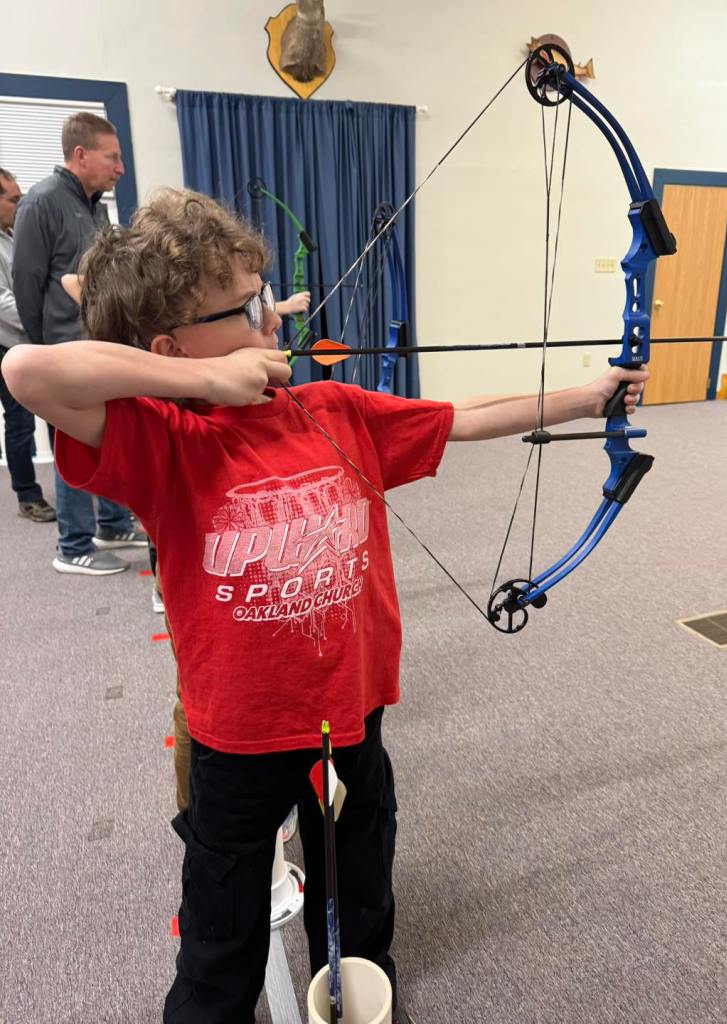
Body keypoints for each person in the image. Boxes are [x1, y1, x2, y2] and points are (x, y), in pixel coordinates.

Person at [3, 189, 648, 1024]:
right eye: (249, 307)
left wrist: (587, 398)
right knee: (219, 933)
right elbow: (28, 371)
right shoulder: (161, 439)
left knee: (359, 889)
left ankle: (358, 994)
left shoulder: (330, 408)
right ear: (172, 348)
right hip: (237, 737)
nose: (272, 320)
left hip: (352, 715)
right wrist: (198, 382)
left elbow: (464, 418)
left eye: (265, 296)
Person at [12, 111, 146, 574]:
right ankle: (72, 545)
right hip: (66, 349)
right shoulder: (42, 202)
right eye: (113, 157)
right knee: (75, 441)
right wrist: (46, 349)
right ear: (81, 154)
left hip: (99, 346)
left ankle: (110, 523)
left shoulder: (95, 207)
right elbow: (27, 283)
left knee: (108, 438)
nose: (120, 168)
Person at [0, 168, 56, 522]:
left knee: (53, 414)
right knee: (19, 421)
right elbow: (3, 301)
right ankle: (27, 496)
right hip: (6, 346)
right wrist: (39, 318)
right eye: (13, 199)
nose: (20, 205)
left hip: (28, 341)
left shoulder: (11, 236)